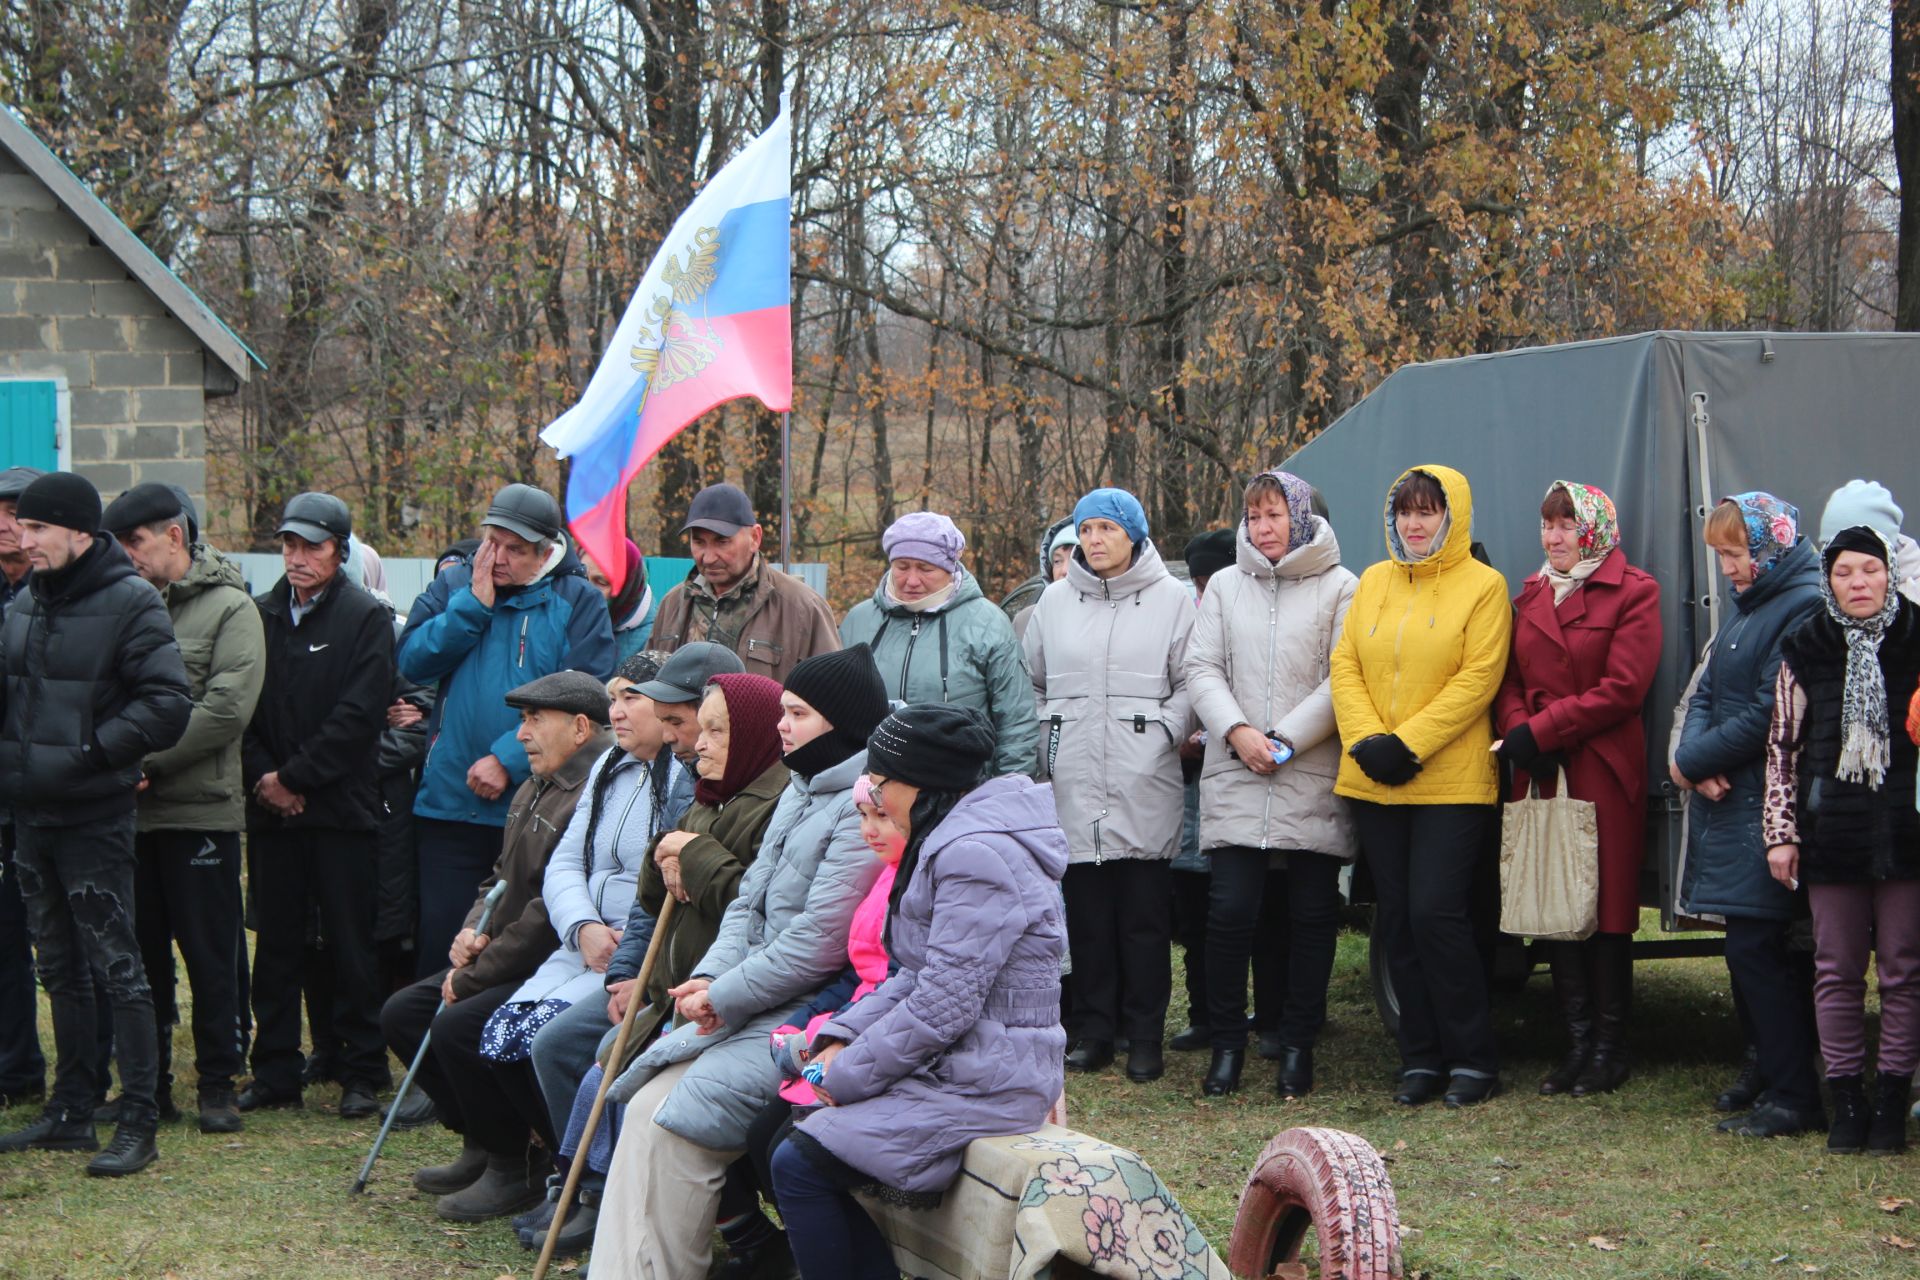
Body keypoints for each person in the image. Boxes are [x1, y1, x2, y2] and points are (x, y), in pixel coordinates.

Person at [591, 646, 892, 1278]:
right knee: (641, 1103)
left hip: (801, 1015)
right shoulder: (802, 787)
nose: (783, 726)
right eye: (782, 711)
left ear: (839, 722)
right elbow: (748, 905)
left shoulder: (858, 805)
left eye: (798, 713)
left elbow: (817, 943)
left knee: (672, 1124)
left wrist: (724, 995)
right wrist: (711, 978)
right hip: (748, 999)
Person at [769, 704, 1068, 1280]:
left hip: (991, 1077)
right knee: (785, 1137)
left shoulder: (974, 852)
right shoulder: (952, 837)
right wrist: (840, 1038)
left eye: (879, 784)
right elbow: (914, 974)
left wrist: (849, 1073)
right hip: (963, 1059)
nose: (875, 800)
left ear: (918, 783)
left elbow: (942, 1002)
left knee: (799, 1162)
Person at [0, 472, 190, 1176]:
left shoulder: (132, 602)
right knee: (57, 968)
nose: (24, 538)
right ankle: (70, 1110)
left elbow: (169, 704)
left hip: (94, 818)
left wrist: (89, 753)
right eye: (23, 526)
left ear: (80, 532)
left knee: (118, 969)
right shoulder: (24, 604)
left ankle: (138, 1119)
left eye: (38, 527)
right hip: (30, 816)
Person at [380, 670, 617, 1220]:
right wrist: (471, 930)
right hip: (503, 952)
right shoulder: (537, 784)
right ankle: (485, 1144)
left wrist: (476, 973)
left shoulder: (590, 790)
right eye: (522, 720)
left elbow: (543, 912)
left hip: (546, 961)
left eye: (535, 720)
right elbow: (499, 880)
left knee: (457, 1024)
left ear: (580, 727)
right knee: (403, 1015)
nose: (521, 735)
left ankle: (516, 1165)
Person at [1331, 465, 1510, 1108]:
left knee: (1438, 914)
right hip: (1375, 779)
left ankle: (1472, 1059)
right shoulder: (1374, 581)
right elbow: (1345, 664)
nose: (1413, 524)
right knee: (1399, 918)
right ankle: (1421, 1058)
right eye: (1405, 512)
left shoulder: (1484, 587)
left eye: (1427, 512)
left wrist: (1408, 744)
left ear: (1451, 517)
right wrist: (1367, 742)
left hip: (1450, 782)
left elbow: (1479, 677)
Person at [398, 483, 617, 977]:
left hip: (538, 806)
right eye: (491, 542)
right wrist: (472, 609)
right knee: (441, 939)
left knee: (513, 947)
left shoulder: (577, 601)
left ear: (545, 553)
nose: (496, 557)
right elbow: (412, 661)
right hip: (448, 804)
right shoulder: (456, 588)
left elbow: (586, 697)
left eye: (515, 550)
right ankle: (431, 1046)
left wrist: (506, 759)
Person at [101, 483, 266, 1134]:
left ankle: (219, 1085)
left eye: (135, 543)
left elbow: (225, 710)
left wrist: (141, 763)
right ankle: (149, 1085)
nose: (127, 557)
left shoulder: (230, 609)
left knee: (210, 955)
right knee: (138, 958)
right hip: (128, 817)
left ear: (174, 536)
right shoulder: (118, 607)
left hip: (198, 814)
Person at [522, 646, 725, 1176]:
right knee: (528, 1038)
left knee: (576, 1051)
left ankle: (594, 1188)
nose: (619, 711)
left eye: (632, 699)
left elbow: (736, 907)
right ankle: (546, 1173)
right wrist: (600, 943)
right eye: (614, 697)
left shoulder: (700, 784)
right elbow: (586, 871)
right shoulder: (612, 768)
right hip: (608, 955)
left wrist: (639, 973)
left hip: (689, 981)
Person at [1187, 470, 1358, 1099]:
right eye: (1254, 517)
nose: (1263, 528)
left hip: (1308, 767)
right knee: (1231, 912)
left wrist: (1283, 740)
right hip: (1236, 765)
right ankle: (1228, 1045)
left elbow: (1345, 677)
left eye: (1275, 516)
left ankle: (1296, 1045)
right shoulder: (1227, 587)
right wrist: (1237, 732)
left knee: (1313, 913)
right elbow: (1200, 666)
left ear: (1302, 518)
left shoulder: (1343, 587)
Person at [1494, 481, 1662, 1097]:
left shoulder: (1634, 591)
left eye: (1565, 525)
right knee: (1555, 903)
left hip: (1600, 765)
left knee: (1606, 909)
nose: (1553, 537)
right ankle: (1577, 1044)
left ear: (1592, 530)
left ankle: (1610, 1049)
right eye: (1546, 525)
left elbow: (1625, 687)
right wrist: (1520, 734)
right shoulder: (1532, 591)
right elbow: (1508, 679)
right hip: (1541, 768)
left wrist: (1544, 728)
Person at [1766, 482, 1919, 1155]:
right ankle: (1847, 1100)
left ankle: (1892, 1098)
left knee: (1904, 968)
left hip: (1906, 834)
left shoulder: (1916, 637)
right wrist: (1781, 833)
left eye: (1871, 569)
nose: (1859, 582)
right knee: (1835, 967)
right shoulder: (1808, 643)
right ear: (1828, 577)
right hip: (1832, 833)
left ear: (1890, 571)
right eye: (1844, 571)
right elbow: (1781, 745)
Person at [1024, 486, 1195, 1084]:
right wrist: (1049, 740)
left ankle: (1144, 1035)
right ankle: (1095, 1031)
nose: (1094, 541)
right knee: (1087, 917)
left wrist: (1165, 733)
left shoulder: (1174, 600)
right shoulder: (1053, 601)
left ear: (1134, 535)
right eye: (1085, 530)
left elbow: (1190, 681)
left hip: (1141, 775)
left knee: (1144, 918)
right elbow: (1034, 683)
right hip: (1071, 775)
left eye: (1106, 530)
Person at [238, 491, 396, 1118]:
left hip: (341, 811)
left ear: (340, 550)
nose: (298, 558)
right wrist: (267, 780)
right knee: (276, 944)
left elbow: (359, 716)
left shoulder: (365, 618)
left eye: (313, 546)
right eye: (290, 545)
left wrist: (296, 778)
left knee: (352, 945)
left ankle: (362, 1070)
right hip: (272, 811)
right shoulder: (261, 614)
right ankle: (275, 1071)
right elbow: (243, 708)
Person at [1676, 493, 1826, 1138]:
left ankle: (1794, 1094)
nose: (1728, 568)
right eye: (1722, 556)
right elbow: (1708, 692)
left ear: (1769, 547)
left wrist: (1691, 760)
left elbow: (1770, 709)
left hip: (1768, 808)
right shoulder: (1750, 610)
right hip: (1735, 804)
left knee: (1759, 949)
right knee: (1752, 949)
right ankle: (1772, 1076)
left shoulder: (1799, 607)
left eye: (1735, 554)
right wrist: (1691, 755)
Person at [840, 511, 1038, 777]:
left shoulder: (989, 624)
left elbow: (1017, 723)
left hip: (961, 795)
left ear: (949, 568)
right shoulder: (859, 621)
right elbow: (835, 711)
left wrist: (1008, 795)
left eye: (925, 568)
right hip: (872, 793)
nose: (911, 580)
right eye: (902, 566)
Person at [649, 482, 840, 684]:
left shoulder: (803, 608)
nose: (708, 557)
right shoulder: (672, 604)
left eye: (722, 542)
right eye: (699, 542)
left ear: (755, 538)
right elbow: (649, 692)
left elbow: (832, 696)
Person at [1169, 527, 1235, 1056]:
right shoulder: (1183, 623)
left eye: (1212, 576)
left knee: (1240, 915)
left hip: (1240, 784)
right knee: (1194, 919)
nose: (1205, 586)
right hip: (1189, 793)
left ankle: (1264, 1013)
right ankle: (1203, 1014)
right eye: (1197, 578)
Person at [0, 465, 48, 1110]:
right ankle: (15, 1069)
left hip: (52, 788)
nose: (5, 527)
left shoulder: (60, 594)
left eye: (19, 515)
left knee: (69, 944)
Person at [583, 537, 657, 664]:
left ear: (627, 588)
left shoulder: (653, 641)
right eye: (581, 577)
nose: (585, 589)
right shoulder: (568, 621)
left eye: (601, 582)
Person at [1009, 516, 1077, 642]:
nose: (1064, 570)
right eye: (1057, 561)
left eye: (1075, 559)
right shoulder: (1026, 620)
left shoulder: (1112, 616)